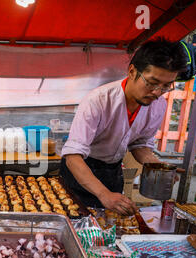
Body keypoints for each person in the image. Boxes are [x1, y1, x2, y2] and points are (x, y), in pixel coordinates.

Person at [60, 38, 188, 216]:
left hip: (113, 171)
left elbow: (140, 146)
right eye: (152, 83)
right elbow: (73, 156)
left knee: (109, 222)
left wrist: (158, 167)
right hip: (82, 170)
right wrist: (104, 194)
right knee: (78, 218)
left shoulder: (158, 105)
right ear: (132, 71)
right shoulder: (98, 100)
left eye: (166, 86)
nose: (157, 92)